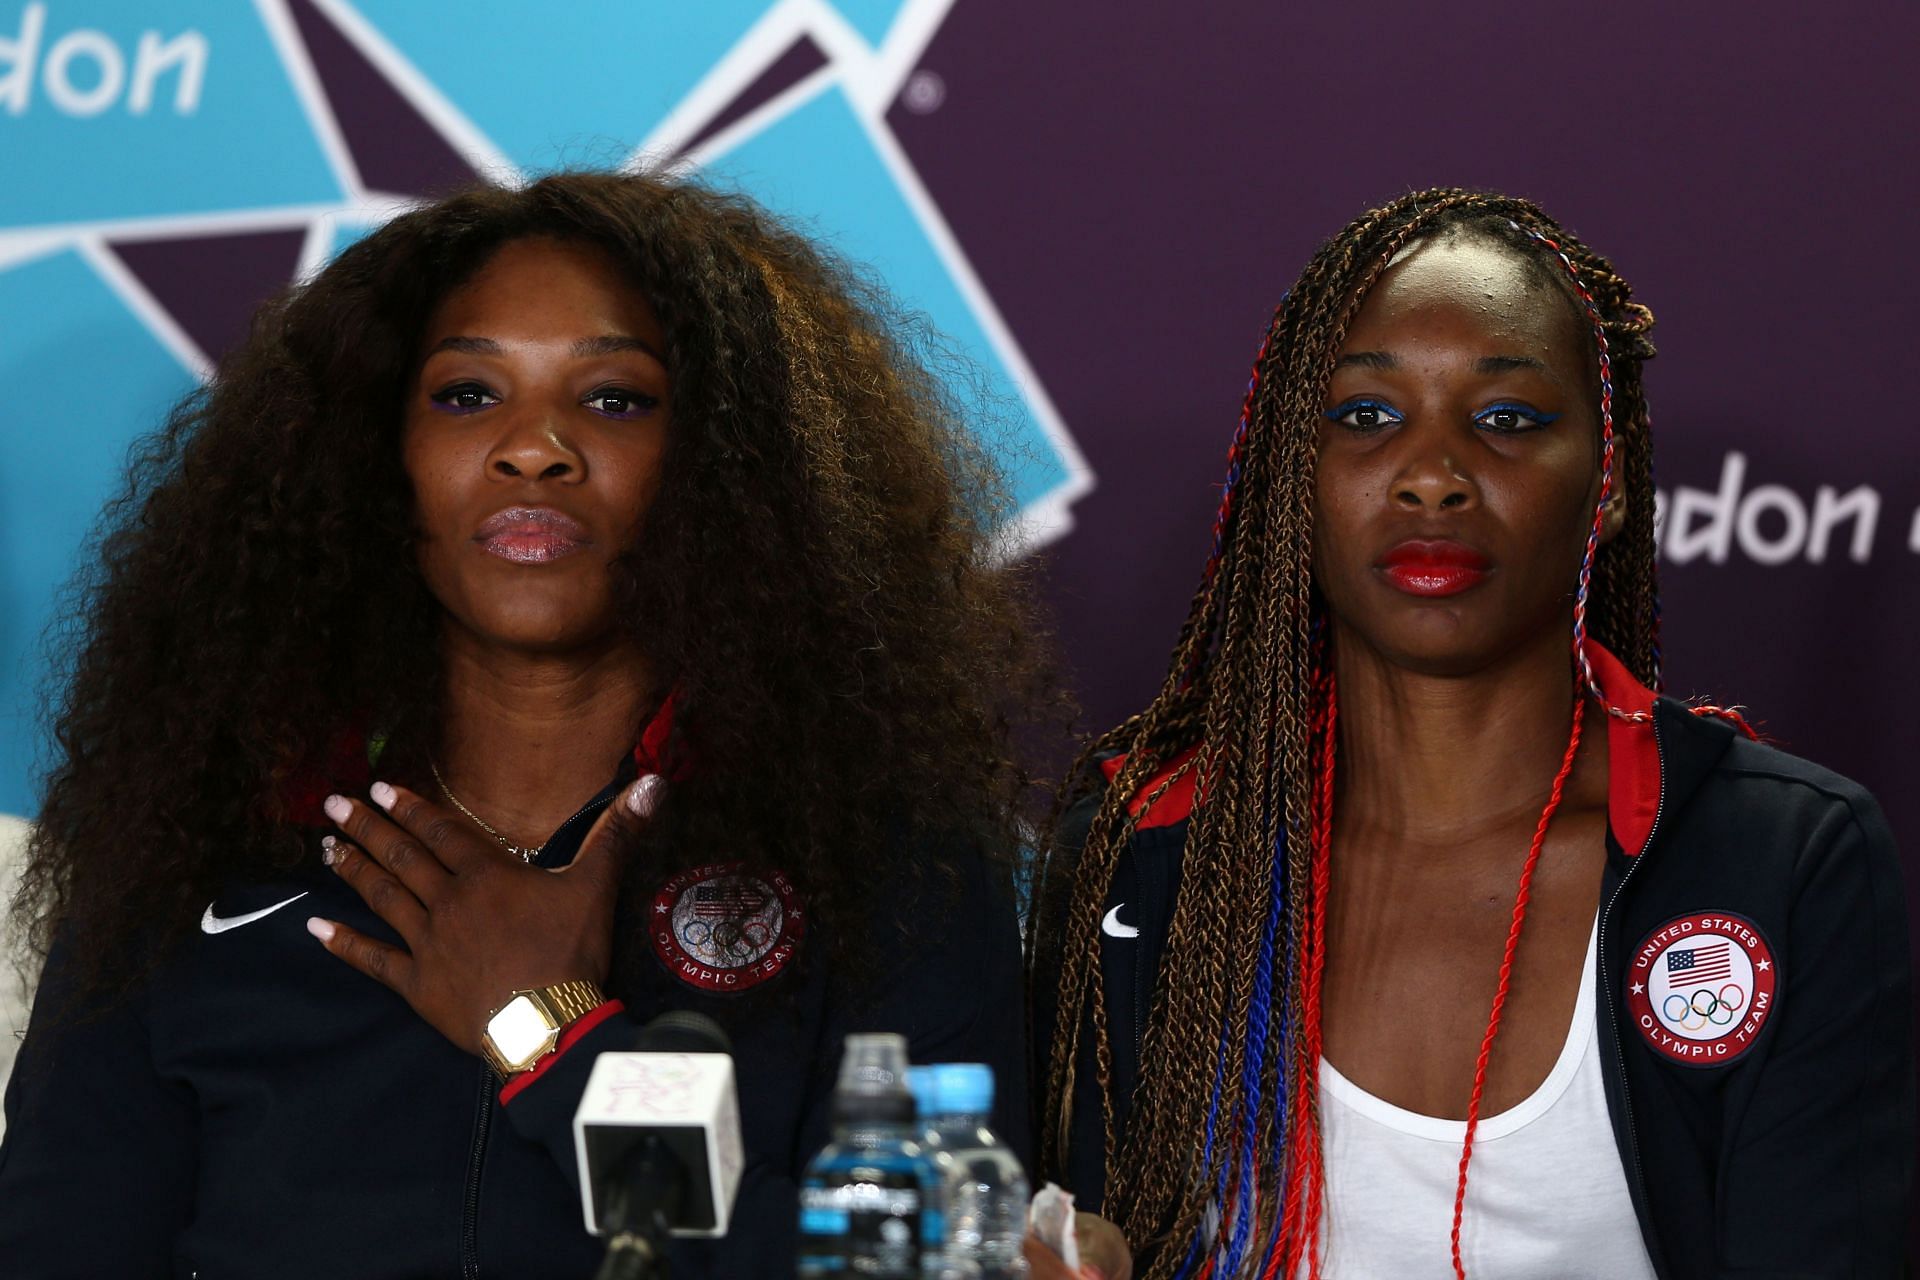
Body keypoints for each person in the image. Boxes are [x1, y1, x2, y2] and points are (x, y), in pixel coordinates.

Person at [0, 171, 1044, 1277]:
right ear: (376, 461)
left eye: (614, 398)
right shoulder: (201, 831)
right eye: (466, 394)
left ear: (720, 468)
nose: (534, 446)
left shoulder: (882, 854)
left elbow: (926, 1268)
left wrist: (555, 1042)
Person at [1030, 188, 1912, 1279]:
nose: (1432, 476)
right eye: (1364, 415)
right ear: (1291, 481)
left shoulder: (1784, 859)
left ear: (1611, 481)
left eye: (1506, 419)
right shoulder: (1145, 857)